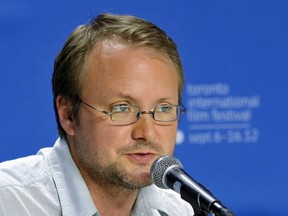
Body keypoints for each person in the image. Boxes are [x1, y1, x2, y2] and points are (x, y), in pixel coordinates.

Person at [0, 13, 194, 216]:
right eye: (122, 108)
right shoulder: (7, 202)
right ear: (68, 115)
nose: (147, 132)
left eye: (163, 108)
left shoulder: (179, 210)